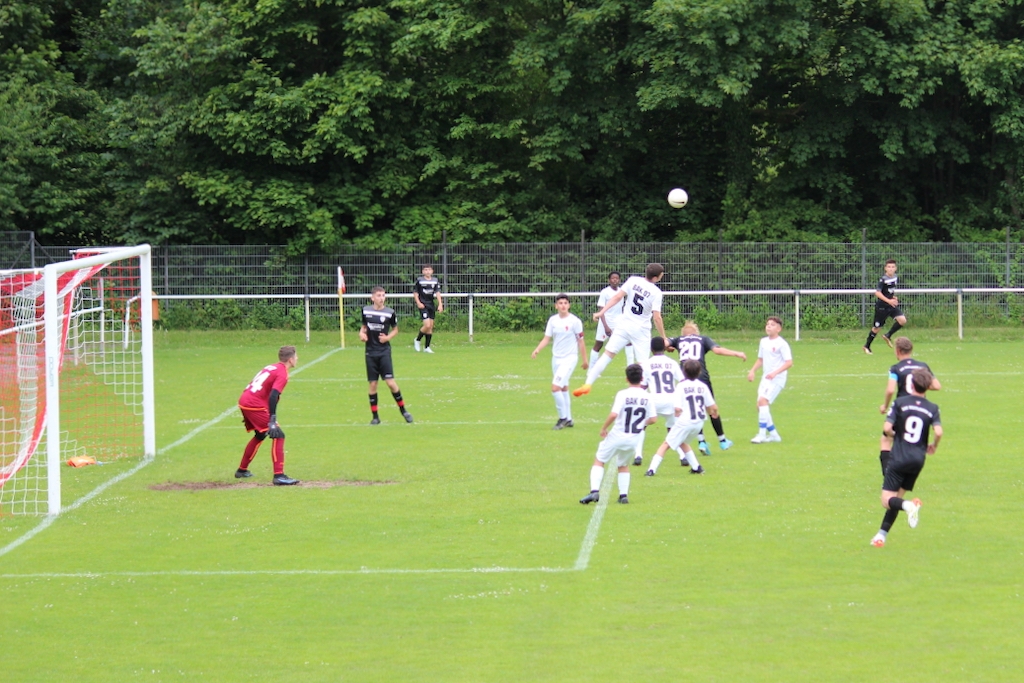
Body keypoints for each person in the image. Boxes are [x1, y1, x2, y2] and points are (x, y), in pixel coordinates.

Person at [870, 368, 942, 547]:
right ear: (928, 386)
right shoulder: (932, 408)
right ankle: (881, 535)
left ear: (911, 384)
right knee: (897, 499)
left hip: (899, 458)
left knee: (887, 501)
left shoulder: (900, 402)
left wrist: (897, 436)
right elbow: (939, 432)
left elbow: (887, 429)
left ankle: (910, 506)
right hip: (918, 460)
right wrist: (934, 445)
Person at [574, 263, 668, 397]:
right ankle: (646, 395)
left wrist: (601, 312)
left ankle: (587, 384)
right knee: (643, 364)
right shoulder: (656, 292)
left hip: (624, 325)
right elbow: (657, 317)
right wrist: (664, 337)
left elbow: (617, 297)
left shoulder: (633, 280)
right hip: (641, 330)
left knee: (607, 355)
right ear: (656, 277)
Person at [579, 364, 656, 505]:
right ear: (642, 378)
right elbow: (653, 419)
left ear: (627, 379)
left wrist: (604, 428)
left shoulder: (622, 394)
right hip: (633, 438)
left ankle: (594, 491)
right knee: (623, 464)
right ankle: (623, 495)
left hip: (617, 435)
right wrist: (641, 424)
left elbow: (614, 414)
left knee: (600, 459)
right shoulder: (648, 396)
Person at [667, 320, 746, 454]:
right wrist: (736, 353)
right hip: (701, 377)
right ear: (696, 333)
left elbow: (663, 343)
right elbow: (717, 350)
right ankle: (722, 440)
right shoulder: (703, 339)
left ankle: (702, 442)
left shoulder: (678, 340)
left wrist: (669, 347)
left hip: (685, 379)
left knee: (692, 409)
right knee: (711, 408)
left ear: (683, 333)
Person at [876, 336, 941, 489]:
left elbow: (890, 389)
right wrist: (922, 386)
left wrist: (885, 406)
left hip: (902, 408)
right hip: (920, 409)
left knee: (886, 440)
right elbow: (937, 386)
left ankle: (889, 477)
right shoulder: (922, 366)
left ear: (898, 351)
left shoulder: (895, 368)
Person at [236, 345, 299, 485]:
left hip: (245, 401)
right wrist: (272, 419)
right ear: (290, 359)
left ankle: (242, 470)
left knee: (260, 434)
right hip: (254, 405)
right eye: (296, 356)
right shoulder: (282, 373)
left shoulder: (272, 367)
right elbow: (273, 395)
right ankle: (279, 476)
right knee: (278, 435)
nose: (297, 359)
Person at [631, 337, 693, 471]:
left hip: (654, 400)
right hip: (672, 401)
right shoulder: (672, 363)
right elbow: (683, 381)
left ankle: (638, 455)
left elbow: (643, 386)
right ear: (664, 348)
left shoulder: (646, 364)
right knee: (673, 428)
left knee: (642, 425)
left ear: (651, 349)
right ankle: (682, 456)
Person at [646, 359, 717, 476]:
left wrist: (677, 413)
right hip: (699, 423)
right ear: (699, 372)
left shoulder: (681, 386)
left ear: (684, 371)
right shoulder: (703, 386)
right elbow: (712, 406)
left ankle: (651, 470)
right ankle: (697, 467)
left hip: (686, 421)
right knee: (682, 441)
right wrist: (713, 413)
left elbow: (677, 408)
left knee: (666, 444)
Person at [532, 294, 588, 429]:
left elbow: (581, 341)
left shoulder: (575, 321)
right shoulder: (553, 320)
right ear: (556, 306)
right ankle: (569, 419)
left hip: (569, 359)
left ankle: (562, 418)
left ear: (569, 305)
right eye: (560, 303)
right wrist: (537, 349)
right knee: (563, 387)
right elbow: (547, 338)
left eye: (565, 303)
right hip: (556, 359)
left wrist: (585, 360)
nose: (563, 305)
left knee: (555, 387)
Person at [360, 286, 414, 424]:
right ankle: (375, 417)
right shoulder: (366, 311)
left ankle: (404, 411)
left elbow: (395, 329)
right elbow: (364, 327)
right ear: (372, 298)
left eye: (383, 295)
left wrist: (387, 338)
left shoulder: (390, 313)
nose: (381, 298)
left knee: (390, 382)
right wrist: (362, 334)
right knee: (373, 384)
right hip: (370, 352)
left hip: (384, 351)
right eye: (378, 295)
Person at [747, 316, 793, 443]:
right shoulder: (763, 341)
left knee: (763, 401)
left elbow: (789, 362)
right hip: (766, 378)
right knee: (760, 406)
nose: (768, 326)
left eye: (772, 325)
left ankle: (761, 435)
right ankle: (774, 435)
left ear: (779, 329)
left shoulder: (782, 344)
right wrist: (752, 371)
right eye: (767, 324)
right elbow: (760, 359)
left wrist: (775, 373)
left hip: (777, 379)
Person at [589, 271, 635, 369]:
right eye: (613, 278)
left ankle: (630, 367)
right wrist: (606, 326)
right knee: (598, 344)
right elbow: (601, 309)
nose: (615, 280)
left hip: (618, 321)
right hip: (605, 321)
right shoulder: (605, 292)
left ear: (619, 280)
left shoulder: (621, 292)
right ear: (609, 280)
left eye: (617, 278)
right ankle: (591, 369)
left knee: (628, 341)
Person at [863, 259, 907, 354]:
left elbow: (888, 291)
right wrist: (889, 300)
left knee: (902, 320)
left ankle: (888, 335)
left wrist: (893, 297)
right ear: (885, 268)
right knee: (877, 328)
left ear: (895, 268)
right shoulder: (883, 279)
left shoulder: (895, 277)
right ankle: (867, 346)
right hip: (882, 306)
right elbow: (878, 293)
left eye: (893, 267)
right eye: (889, 267)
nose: (891, 269)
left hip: (891, 305)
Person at [413, 265, 443, 353]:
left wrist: (440, 304)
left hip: (431, 305)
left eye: (429, 270)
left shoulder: (435, 280)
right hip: (423, 305)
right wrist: (418, 303)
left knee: (430, 326)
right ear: (423, 272)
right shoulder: (419, 280)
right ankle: (417, 340)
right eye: (425, 270)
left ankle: (427, 347)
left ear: (432, 271)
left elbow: (437, 292)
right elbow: (415, 292)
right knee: (427, 325)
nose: (427, 271)